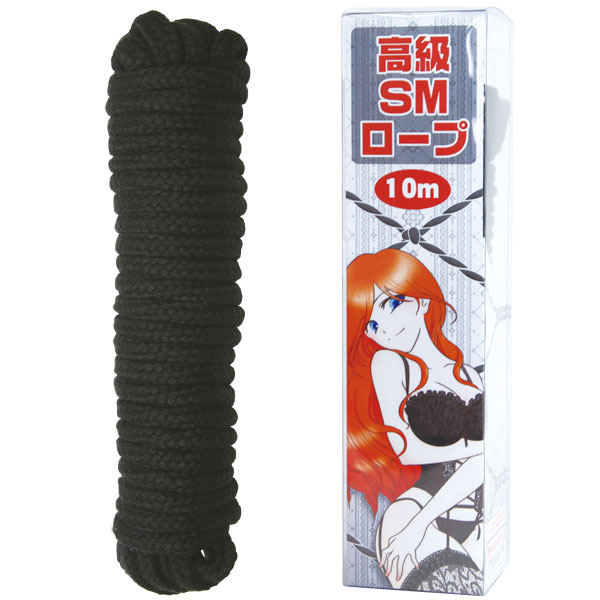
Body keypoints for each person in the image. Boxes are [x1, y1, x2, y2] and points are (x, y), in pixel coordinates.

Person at [347, 248, 484, 590]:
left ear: (421, 300)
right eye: (372, 325)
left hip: (473, 515)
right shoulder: (390, 364)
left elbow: (480, 466)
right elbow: (406, 449)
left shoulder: (469, 375)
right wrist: (482, 447)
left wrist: (482, 453)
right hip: (411, 513)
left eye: (390, 304)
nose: (384, 329)